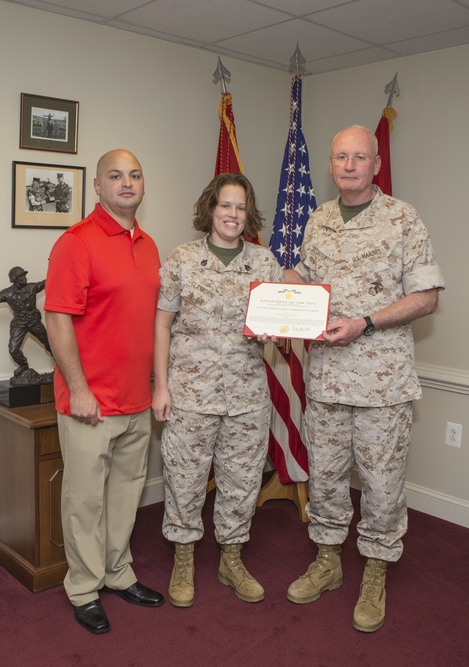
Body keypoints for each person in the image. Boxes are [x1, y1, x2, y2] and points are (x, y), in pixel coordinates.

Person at [284, 125, 444, 633]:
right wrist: (283, 285)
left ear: (376, 165)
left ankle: (375, 570)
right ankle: (328, 563)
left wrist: (366, 322)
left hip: (382, 384)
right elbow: (306, 280)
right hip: (327, 379)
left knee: (382, 484)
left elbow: (427, 296)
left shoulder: (403, 219)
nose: (349, 165)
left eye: (360, 157)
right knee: (327, 478)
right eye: (340, 157)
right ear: (330, 166)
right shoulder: (317, 219)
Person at [44, 149, 164, 634]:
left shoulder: (150, 245)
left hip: (138, 399)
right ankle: (84, 587)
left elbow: (156, 322)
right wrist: (79, 389)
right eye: (115, 176)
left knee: (125, 496)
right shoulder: (77, 242)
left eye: (135, 174)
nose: (127, 183)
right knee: (85, 501)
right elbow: (57, 319)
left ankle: (118, 573)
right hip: (90, 402)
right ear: (97, 186)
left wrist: (158, 385)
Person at [153, 173, 282, 608]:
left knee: (242, 482)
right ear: (210, 209)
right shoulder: (182, 260)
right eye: (225, 205)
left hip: (246, 396)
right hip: (190, 393)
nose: (232, 214)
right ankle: (184, 558)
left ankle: (231, 558)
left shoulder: (264, 263)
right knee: (185, 480)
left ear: (249, 213)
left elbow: (278, 327)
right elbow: (161, 325)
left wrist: (284, 330)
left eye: (240, 207)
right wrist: (161, 387)